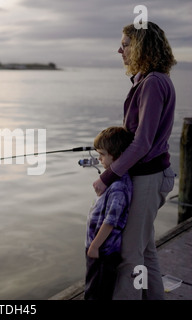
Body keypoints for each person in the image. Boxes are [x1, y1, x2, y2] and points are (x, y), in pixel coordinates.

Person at [93, 21, 177, 300]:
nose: (120, 50)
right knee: (145, 250)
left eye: (126, 45)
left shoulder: (153, 83)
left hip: (149, 178)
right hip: (151, 176)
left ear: (142, 46)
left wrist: (108, 176)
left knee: (130, 256)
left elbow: (142, 142)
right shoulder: (149, 80)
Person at [85, 127, 134, 300]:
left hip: (103, 251)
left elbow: (110, 221)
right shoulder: (114, 181)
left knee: (97, 293)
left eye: (102, 154)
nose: (99, 159)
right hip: (100, 249)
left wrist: (95, 246)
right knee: (95, 287)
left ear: (119, 155)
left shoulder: (119, 187)